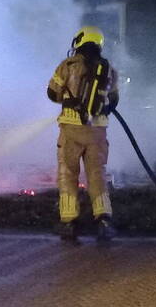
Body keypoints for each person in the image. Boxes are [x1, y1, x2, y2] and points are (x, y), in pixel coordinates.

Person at [46, 26, 120, 241]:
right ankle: (104, 219)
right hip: (97, 131)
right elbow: (113, 100)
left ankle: (69, 222)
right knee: (97, 174)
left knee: (68, 174)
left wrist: (70, 98)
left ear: (79, 41)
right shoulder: (108, 69)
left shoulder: (67, 66)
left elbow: (52, 93)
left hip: (71, 129)